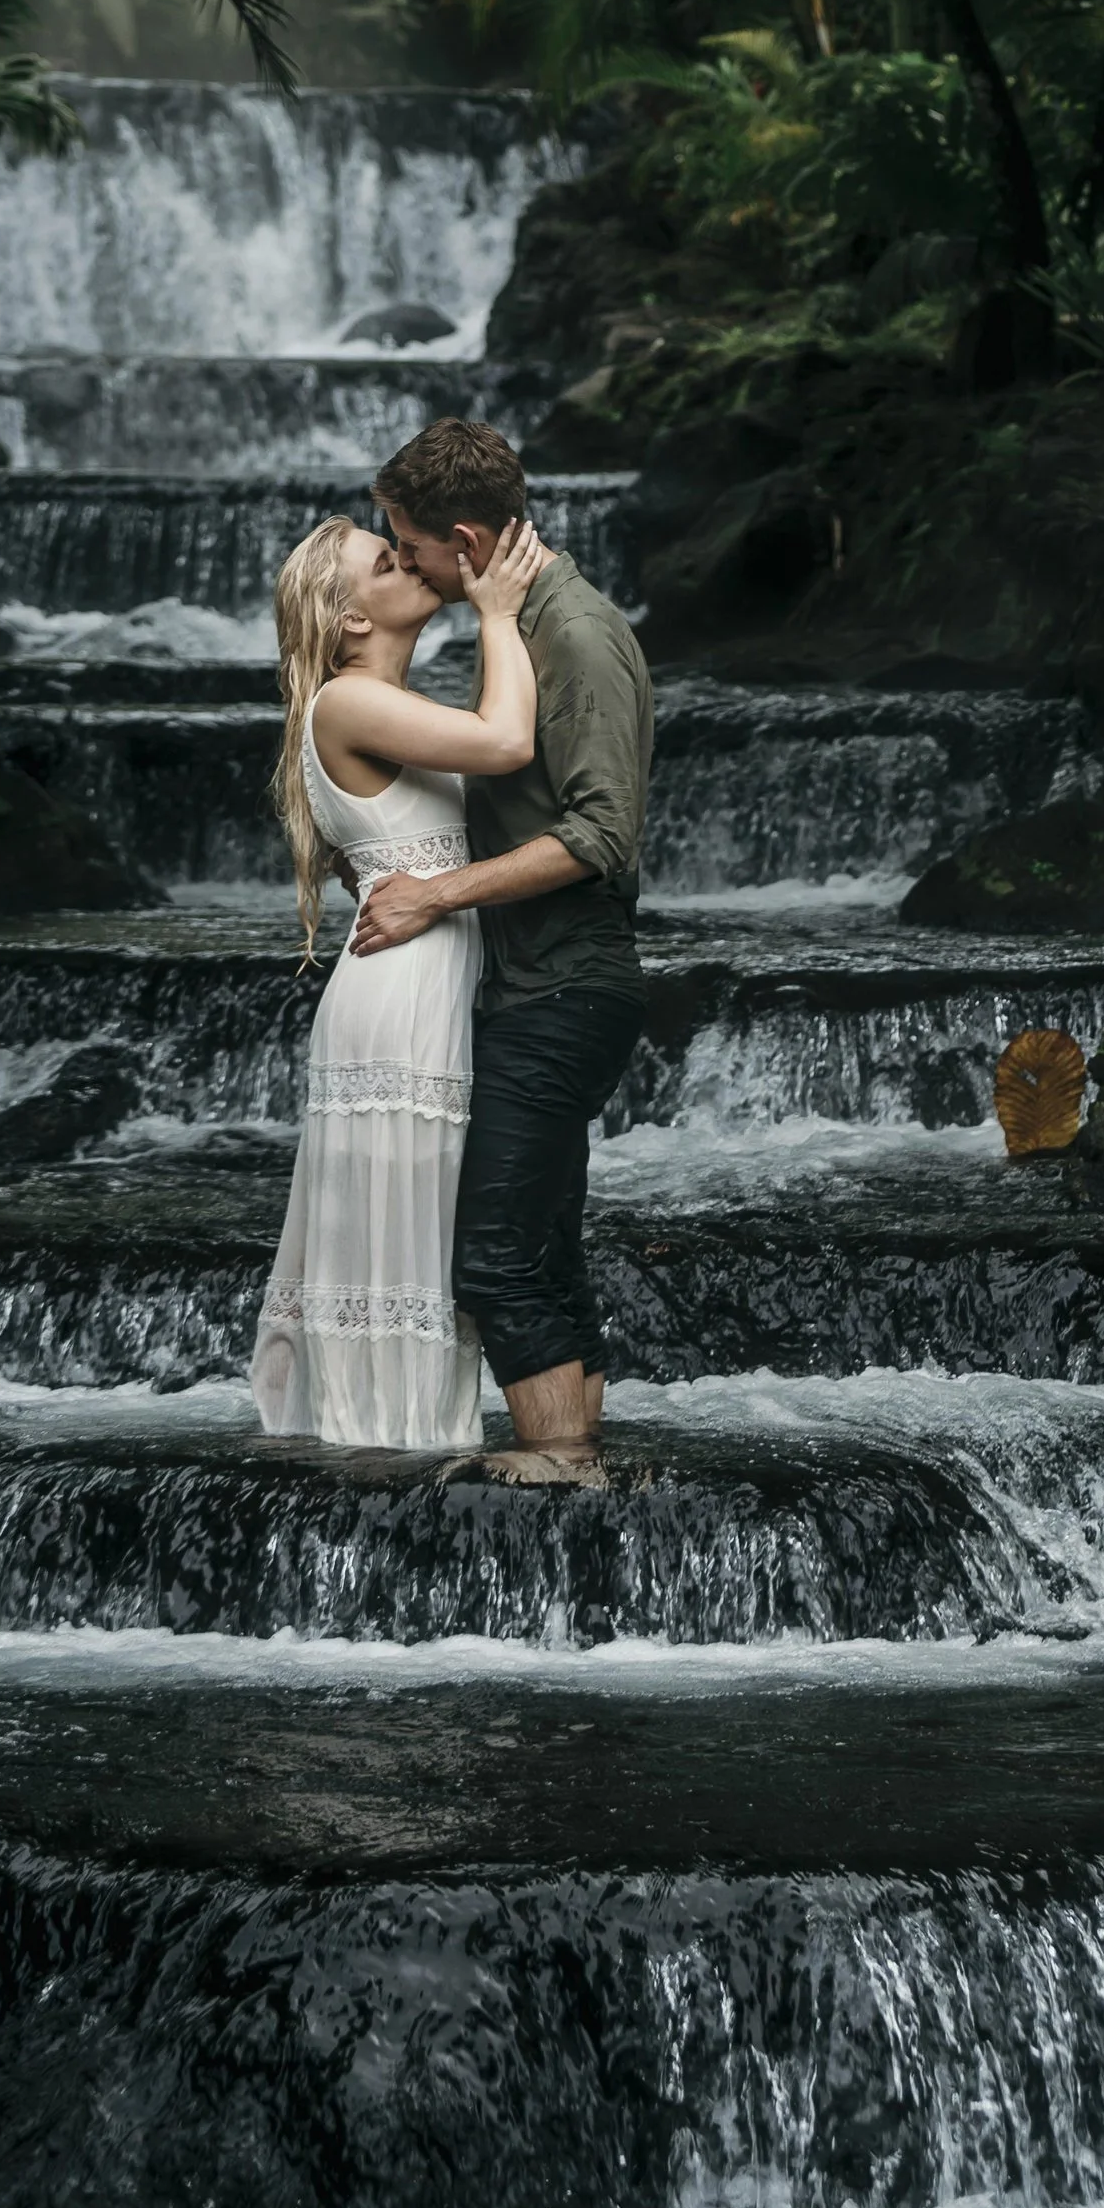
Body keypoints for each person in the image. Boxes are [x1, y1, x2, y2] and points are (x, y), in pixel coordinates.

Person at [348, 418, 654, 1484]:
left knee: (492, 1257)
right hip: (536, 987)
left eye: (411, 546)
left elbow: (603, 834)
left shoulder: (576, 635)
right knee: (543, 1249)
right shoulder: (521, 626)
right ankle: (581, 1468)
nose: (406, 565)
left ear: (467, 543)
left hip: (565, 989)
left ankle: (559, 1463)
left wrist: (434, 894)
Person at [252, 506, 550, 1447]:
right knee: (403, 1244)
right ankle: (385, 1449)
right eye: (387, 562)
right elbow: (507, 743)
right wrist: (497, 613)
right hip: (401, 996)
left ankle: (400, 1440)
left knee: (421, 1241)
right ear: (351, 618)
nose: (413, 564)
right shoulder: (348, 701)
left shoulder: (383, 703)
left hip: (426, 981)